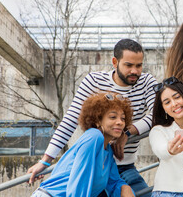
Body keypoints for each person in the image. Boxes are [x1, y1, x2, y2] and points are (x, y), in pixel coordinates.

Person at [28, 39, 157, 196]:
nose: (135, 71)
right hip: (94, 164)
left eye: (139, 65)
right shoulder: (94, 81)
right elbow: (70, 120)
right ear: (115, 62)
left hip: (121, 165)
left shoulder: (146, 82)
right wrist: (45, 160)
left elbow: (157, 115)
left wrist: (128, 133)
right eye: (129, 65)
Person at [31, 93, 135, 197]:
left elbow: (114, 182)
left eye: (123, 118)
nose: (120, 122)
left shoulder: (107, 150)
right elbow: (80, 182)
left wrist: (125, 187)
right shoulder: (94, 137)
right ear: (98, 121)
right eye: (113, 117)